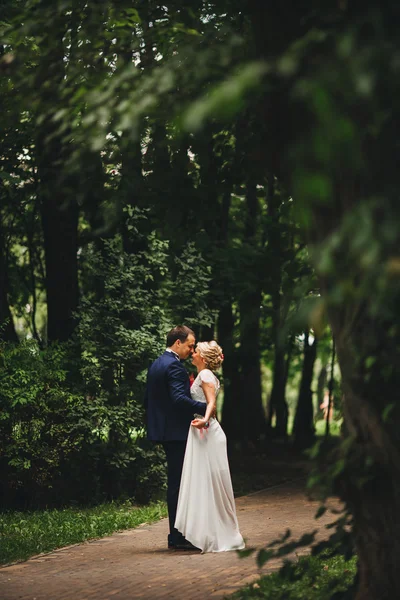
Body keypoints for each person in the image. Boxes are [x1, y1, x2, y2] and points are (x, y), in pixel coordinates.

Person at [175, 341, 245, 553]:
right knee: (205, 483)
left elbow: (211, 403)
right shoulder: (205, 375)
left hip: (207, 432)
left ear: (203, 358)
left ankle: (218, 533)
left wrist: (205, 420)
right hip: (201, 432)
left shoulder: (205, 375)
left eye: (196, 351)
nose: (192, 353)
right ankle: (207, 531)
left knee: (212, 483)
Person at [145, 325, 207, 550]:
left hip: (164, 430)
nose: (191, 351)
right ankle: (177, 536)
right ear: (177, 343)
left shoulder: (157, 363)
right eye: (190, 345)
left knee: (177, 482)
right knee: (179, 484)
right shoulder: (174, 366)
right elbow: (179, 400)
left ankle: (178, 534)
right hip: (176, 432)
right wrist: (206, 406)